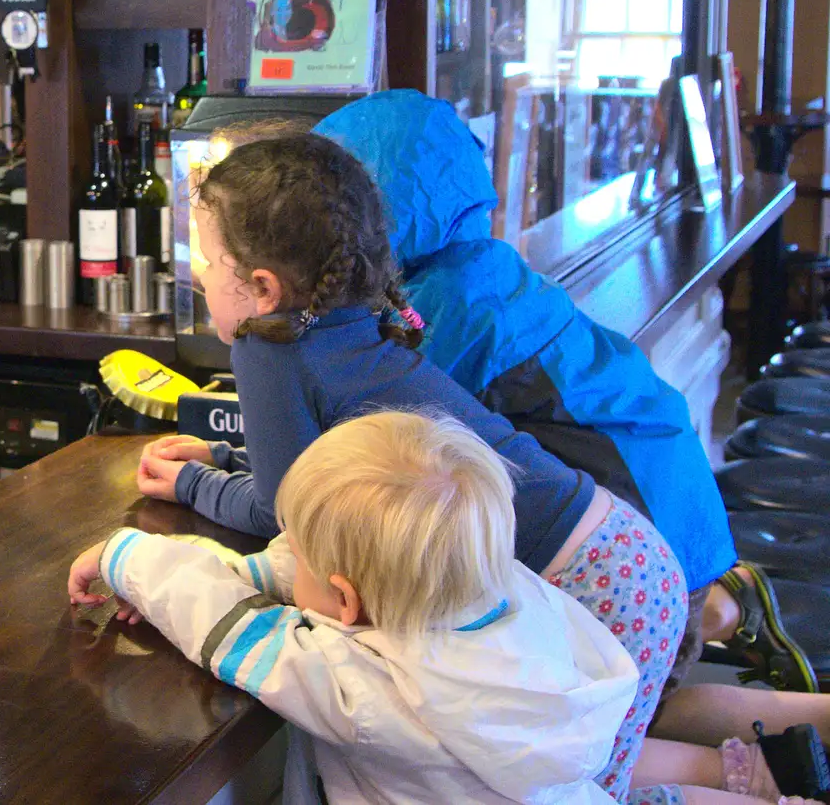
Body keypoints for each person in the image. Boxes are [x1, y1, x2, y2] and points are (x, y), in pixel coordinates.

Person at [137, 132, 807, 802]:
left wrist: (195, 484)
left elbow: (287, 516)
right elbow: (316, 468)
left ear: (261, 288)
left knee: (574, 792)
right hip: (626, 555)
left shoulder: (268, 347)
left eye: (207, 257)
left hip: (587, 583)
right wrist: (228, 460)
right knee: (587, 774)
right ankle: (769, 772)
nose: (196, 271)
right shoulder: (351, 322)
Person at [309, 90, 830, 788]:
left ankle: (760, 782)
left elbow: (385, 445)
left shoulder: (442, 310)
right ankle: (804, 731)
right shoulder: (483, 270)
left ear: (369, 210)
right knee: (654, 702)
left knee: (597, 743)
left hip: (638, 550)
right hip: (672, 525)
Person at [74, 411, 642, 804]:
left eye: (292, 546)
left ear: (346, 602)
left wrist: (125, 558)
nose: (286, 553)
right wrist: (244, 572)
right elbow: (317, 581)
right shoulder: (507, 590)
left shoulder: (374, 694)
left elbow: (239, 632)